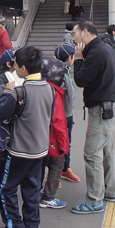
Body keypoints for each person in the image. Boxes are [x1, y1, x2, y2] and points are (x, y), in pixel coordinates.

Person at [0, 46, 54, 228]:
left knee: (6, 188)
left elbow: (1, 113)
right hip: (40, 150)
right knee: (32, 189)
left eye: (17, 65)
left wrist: (6, 91)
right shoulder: (49, 88)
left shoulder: (19, 92)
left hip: (19, 151)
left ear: (23, 69)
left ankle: (14, 226)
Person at [71, 21, 115, 214]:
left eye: (74, 33)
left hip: (102, 109)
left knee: (91, 153)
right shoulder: (105, 48)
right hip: (110, 106)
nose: (73, 37)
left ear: (85, 32)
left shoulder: (94, 53)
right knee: (106, 150)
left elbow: (81, 80)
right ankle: (110, 190)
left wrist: (77, 59)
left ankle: (94, 201)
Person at [39, 57, 69, 209]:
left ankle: (36, 190)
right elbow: (58, 121)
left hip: (38, 138)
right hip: (52, 140)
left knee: (40, 164)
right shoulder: (54, 93)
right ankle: (48, 197)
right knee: (57, 165)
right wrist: (64, 144)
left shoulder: (39, 87)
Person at [0, 48, 18, 196]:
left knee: (7, 154)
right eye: (16, 62)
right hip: (2, 124)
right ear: (9, 64)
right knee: (2, 153)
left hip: (8, 122)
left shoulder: (8, 78)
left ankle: (2, 182)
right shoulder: (0, 81)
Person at [54, 42, 81, 183]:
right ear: (69, 57)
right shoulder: (59, 74)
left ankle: (65, 169)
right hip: (62, 115)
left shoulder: (65, 70)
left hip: (67, 114)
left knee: (66, 142)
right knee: (60, 143)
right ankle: (55, 173)